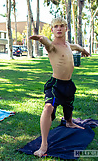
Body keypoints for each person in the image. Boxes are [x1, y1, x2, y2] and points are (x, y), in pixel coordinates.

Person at [29, 17, 90, 157]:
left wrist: (84, 51)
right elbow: (47, 43)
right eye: (56, 26)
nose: (59, 28)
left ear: (66, 28)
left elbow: (76, 47)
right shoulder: (52, 46)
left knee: (69, 107)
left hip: (68, 84)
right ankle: (44, 144)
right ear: (52, 29)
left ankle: (69, 122)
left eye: (62, 26)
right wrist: (41, 38)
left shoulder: (68, 45)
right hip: (55, 84)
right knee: (48, 107)